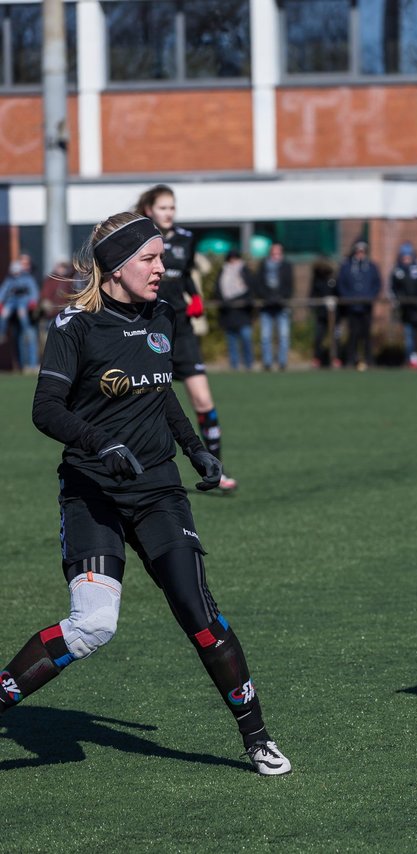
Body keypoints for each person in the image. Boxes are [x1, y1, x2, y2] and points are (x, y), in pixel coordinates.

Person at [0, 212, 290, 775]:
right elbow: (46, 410)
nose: (162, 268)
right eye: (149, 259)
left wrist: (197, 449)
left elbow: (161, 394)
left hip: (158, 492)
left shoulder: (162, 314)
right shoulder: (73, 326)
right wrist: (99, 443)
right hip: (93, 494)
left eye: (162, 257)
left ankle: (256, 737)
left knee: (199, 613)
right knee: (94, 626)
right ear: (114, 266)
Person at [134, 185, 236, 492]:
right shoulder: (140, 238)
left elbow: (187, 271)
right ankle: (139, 470)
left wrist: (193, 295)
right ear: (150, 209)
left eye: (172, 208)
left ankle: (214, 468)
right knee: (143, 402)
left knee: (203, 400)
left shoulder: (186, 239)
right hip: (148, 326)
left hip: (181, 329)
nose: (168, 213)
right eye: (163, 207)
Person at [336, 240, 381, 371]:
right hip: (352, 307)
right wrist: (349, 298)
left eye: (363, 251)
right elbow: (341, 284)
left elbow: (377, 284)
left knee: (367, 334)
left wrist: (370, 297)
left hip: (366, 306)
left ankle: (369, 359)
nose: (360, 253)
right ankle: (351, 359)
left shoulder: (371, 267)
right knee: (353, 334)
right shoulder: (347, 266)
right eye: (358, 251)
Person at [253, 242, 294, 371]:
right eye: (274, 253)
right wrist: (266, 297)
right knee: (266, 336)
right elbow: (258, 284)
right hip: (267, 306)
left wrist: (282, 297)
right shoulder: (263, 266)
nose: (276, 255)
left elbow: (290, 285)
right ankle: (267, 363)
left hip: (282, 306)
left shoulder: (286, 266)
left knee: (283, 335)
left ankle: (282, 362)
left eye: (278, 253)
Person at [214, 251, 254, 371]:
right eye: (231, 258)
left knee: (246, 338)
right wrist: (225, 302)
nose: (233, 261)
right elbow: (218, 290)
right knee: (231, 340)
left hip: (243, 312)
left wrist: (241, 300)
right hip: (228, 312)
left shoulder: (245, 271)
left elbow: (251, 289)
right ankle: (234, 364)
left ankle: (248, 364)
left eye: (235, 258)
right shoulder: (223, 272)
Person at [0, 254, 40, 371]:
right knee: (4, 313)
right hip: (12, 302)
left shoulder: (28, 278)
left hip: (24, 304)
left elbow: (34, 291)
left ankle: (26, 329)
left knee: (22, 313)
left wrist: (33, 301)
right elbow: (3, 292)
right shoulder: (10, 280)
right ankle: (1, 333)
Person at [310, 258, 340, 368]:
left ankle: (335, 358)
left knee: (335, 337)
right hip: (321, 314)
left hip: (334, 314)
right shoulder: (317, 278)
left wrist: (335, 301)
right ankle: (317, 358)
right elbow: (312, 293)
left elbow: (339, 292)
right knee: (318, 337)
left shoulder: (334, 278)